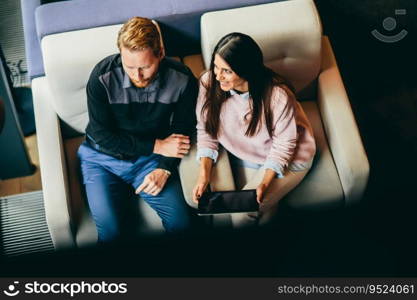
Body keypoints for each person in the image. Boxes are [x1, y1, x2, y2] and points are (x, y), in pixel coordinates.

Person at [77, 17, 197, 242]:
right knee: (111, 235)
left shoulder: (183, 79)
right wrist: (158, 145)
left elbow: (183, 129)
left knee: (182, 225)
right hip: (101, 159)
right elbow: (102, 134)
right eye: (129, 66)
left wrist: (165, 169)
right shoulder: (101, 77)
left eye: (145, 67)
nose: (137, 76)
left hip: (149, 161)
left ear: (160, 53)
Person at [191, 32, 316, 227]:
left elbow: (284, 145)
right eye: (215, 66)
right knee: (256, 214)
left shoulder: (277, 96)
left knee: (242, 215)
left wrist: (265, 182)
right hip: (249, 154)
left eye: (227, 71)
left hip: (288, 156)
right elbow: (206, 130)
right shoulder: (209, 82)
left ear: (246, 70)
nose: (218, 76)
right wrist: (204, 174)